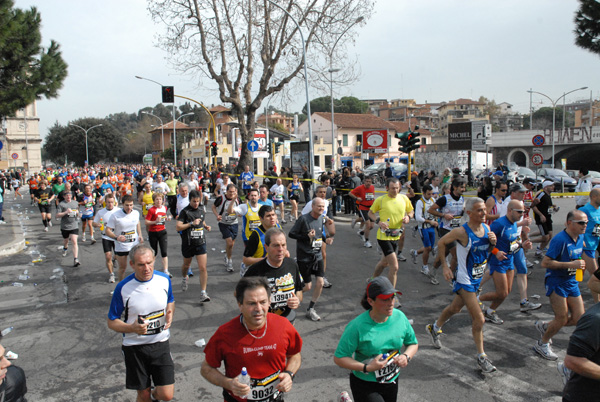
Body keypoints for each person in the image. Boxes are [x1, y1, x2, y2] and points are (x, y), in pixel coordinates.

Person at [425, 197, 498, 373]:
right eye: (479, 210)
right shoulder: (461, 232)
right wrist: (444, 266)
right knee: (479, 318)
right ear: (469, 213)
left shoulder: (487, 229)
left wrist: (493, 245)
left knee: (455, 308)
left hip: (476, 279)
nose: (484, 213)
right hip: (464, 280)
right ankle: (482, 357)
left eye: (485, 210)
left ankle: (435, 328)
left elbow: (485, 252)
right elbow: (442, 242)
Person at [201, 276, 302, 402]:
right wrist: (229, 383)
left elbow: (295, 355)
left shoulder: (283, 325)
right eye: (252, 303)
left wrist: (289, 374)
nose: (258, 309)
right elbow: (206, 368)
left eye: (263, 302)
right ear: (240, 305)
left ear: (269, 302)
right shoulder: (225, 334)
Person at [107, 244, 175, 402]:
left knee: (166, 395)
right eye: (141, 264)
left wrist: (170, 312)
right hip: (134, 347)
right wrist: (132, 328)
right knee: (143, 395)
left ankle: (154, 395)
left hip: (160, 343)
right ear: (132, 265)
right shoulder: (123, 288)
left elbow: (170, 300)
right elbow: (111, 321)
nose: (147, 268)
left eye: (149, 263)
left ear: (154, 261)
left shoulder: (164, 280)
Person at [334, 276, 418, 402]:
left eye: (392, 297)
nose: (391, 303)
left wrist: (406, 356)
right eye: (384, 299)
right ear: (371, 301)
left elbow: (412, 343)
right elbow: (339, 358)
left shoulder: (399, 317)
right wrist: (366, 367)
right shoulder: (357, 326)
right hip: (365, 384)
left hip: (392, 380)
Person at [533, 210, 587, 361]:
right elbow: (545, 262)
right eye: (581, 222)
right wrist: (571, 264)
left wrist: (578, 267)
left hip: (571, 281)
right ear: (569, 223)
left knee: (578, 318)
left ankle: (547, 326)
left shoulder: (581, 236)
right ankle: (542, 344)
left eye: (586, 223)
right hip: (556, 281)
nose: (585, 225)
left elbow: (578, 254)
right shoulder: (559, 240)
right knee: (562, 318)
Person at [478, 200, 532, 325]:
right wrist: (496, 252)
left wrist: (523, 245)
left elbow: (513, 243)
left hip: (509, 261)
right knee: (501, 293)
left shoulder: (514, 224)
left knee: (505, 293)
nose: (521, 215)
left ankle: (490, 312)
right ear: (510, 210)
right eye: (519, 212)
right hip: (498, 262)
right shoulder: (499, 224)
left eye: (523, 212)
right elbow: (485, 241)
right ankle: (474, 299)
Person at [244, 228, 304, 323]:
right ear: (266, 247)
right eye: (276, 245)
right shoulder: (255, 271)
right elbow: (239, 294)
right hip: (263, 322)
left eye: (283, 245)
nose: (280, 249)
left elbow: (299, 290)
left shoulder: (292, 265)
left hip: (286, 320)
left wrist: (297, 300)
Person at [289, 197, 334, 321]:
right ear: (312, 206)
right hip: (304, 257)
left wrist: (327, 239)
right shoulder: (303, 219)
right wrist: (305, 236)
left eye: (323, 206)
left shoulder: (321, 218)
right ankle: (289, 295)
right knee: (307, 286)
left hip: (317, 256)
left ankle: (311, 309)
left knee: (320, 282)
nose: (321, 208)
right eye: (319, 206)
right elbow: (291, 234)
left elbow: (320, 234)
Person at [368, 178, 414, 288]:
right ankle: (391, 294)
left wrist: (408, 217)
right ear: (387, 188)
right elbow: (370, 213)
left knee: (384, 263)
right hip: (384, 236)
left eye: (397, 188)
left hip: (396, 235)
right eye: (393, 188)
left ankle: (372, 280)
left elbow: (411, 211)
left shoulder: (403, 198)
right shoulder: (381, 200)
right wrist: (379, 222)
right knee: (394, 266)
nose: (395, 190)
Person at [176, 190, 212, 301]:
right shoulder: (185, 212)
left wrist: (206, 226)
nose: (196, 203)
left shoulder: (201, 209)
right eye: (194, 201)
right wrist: (191, 224)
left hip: (200, 243)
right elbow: (178, 227)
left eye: (197, 201)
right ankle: (184, 277)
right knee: (186, 266)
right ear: (190, 200)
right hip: (188, 243)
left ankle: (203, 293)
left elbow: (202, 221)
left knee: (203, 268)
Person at [105, 195, 144, 281]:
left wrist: (140, 235)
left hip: (134, 244)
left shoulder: (136, 213)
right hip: (121, 246)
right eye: (127, 205)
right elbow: (107, 231)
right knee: (123, 268)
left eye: (131, 205)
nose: (129, 207)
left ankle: (138, 286)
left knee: (138, 266)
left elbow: (138, 223)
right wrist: (116, 237)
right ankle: (120, 287)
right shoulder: (115, 215)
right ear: (122, 204)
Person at [410, 185, 438, 282]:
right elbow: (417, 217)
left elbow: (436, 212)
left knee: (429, 247)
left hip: (431, 227)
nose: (430, 196)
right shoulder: (420, 202)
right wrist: (429, 221)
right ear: (423, 193)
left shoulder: (433, 201)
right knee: (428, 248)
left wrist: (436, 219)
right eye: (428, 194)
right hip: (423, 228)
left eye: (431, 194)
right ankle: (424, 267)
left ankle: (415, 253)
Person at [241, 205, 280, 275]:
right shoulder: (255, 235)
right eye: (268, 216)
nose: (272, 218)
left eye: (273, 215)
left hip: (273, 267)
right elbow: (245, 260)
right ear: (261, 219)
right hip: (258, 269)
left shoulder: (278, 228)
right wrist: (265, 260)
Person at [212, 183, 241, 272]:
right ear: (226, 191)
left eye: (233, 192)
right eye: (230, 192)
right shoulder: (221, 198)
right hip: (224, 223)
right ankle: (229, 261)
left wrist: (240, 213)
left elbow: (240, 209)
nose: (232, 194)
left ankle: (227, 256)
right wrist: (217, 215)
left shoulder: (238, 199)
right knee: (229, 243)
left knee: (231, 244)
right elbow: (213, 207)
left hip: (234, 223)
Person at [93, 193, 119, 283]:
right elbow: (94, 223)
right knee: (108, 256)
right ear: (105, 202)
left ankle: (114, 259)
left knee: (117, 256)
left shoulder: (118, 211)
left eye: (112, 202)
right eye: (108, 202)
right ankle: (111, 274)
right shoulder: (101, 212)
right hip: (106, 236)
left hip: (116, 237)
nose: (110, 204)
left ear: (114, 202)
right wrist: (97, 224)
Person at [145, 193, 171, 278]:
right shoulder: (151, 210)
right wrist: (155, 222)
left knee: (164, 252)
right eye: (157, 199)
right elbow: (146, 222)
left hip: (162, 232)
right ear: (154, 201)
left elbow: (164, 216)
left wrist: (167, 218)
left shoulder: (164, 208)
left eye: (160, 199)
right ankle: (151, 269)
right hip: (153, 232)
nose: (159, 201)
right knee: (154, 252)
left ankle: (166, 271)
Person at [531, 180, 557, 258]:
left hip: (548, 217)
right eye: (551, 186)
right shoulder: (541, 194)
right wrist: (541, 215)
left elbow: (547, 205)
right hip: (541, 218)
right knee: (545, 237)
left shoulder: (548, 195)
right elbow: (533, 205)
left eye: (553, 185)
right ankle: (528, 241)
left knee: (550, 235)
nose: (553, 187)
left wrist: (553, 207)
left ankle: (539, 250)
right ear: (546, 187)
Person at [349, 176, 376, 248]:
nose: (368, 183)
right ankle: (367, 241)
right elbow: (350, 193)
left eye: (369, 182)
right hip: (363, 207)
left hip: (371, 208)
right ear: (364, 182)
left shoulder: (372, 187)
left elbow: (372, 196)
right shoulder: (360, 188)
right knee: (367, 223)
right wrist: (357, 198)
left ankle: (361, 233)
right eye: (367, 181)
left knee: (371, 226)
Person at [56, 190, 81, 267]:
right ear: (64, 196)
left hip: (74, 225)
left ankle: (75, 259)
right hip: (65, 226)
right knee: (66, 240)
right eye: (67, 195)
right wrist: (65, 212)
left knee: (74, 241)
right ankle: (65, 248)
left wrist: (78, 213)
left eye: (70, 195)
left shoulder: (75, 203)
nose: (68, 197)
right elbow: (57, 215)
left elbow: (79, 213)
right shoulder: (61, 204)